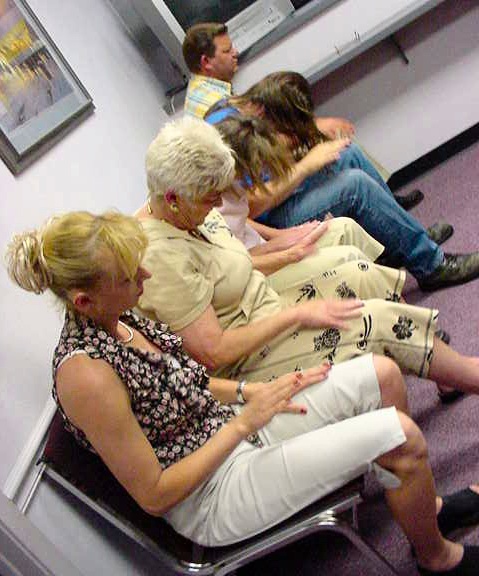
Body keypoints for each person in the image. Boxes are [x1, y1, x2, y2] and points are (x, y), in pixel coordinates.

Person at [7, 210, 479, 575]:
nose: (145, 279)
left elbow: (187, 381)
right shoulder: (85, 376)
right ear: (84, 300)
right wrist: (243, 423)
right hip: (212, 494)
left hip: (230, 431)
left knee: (382, 375)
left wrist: (251, 390)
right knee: (401, 438)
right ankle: (436, 559)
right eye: (131, 277)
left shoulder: (117, 315)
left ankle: (427, 512)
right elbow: (154, 494)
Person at [137, 117, 479, 403]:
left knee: (360, 272)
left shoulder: (186, 207)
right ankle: (463, 372)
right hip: (247, 355)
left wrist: (285, 244)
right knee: (375, 321)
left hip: (265, 301)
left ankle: (439, 365)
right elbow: (215, 352)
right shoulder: (160, 257)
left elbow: (232, 259)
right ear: (173, 198)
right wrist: (296, 314)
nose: (217, 206)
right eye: (211, 199)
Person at [206, 101, 479, 291]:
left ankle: (402, 241)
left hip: (272, 210)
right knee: (354, 185)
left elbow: (242, 210)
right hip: (273, 215)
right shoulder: (218, 148)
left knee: (348, 155)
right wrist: (305, 166)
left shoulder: (227, 107)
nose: (235, 53)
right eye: (226, 50)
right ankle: (432, 266)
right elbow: (252, 207)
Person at [182, 21, 424, 211]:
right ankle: (387, 209)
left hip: (266, 176)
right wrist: (308, 131)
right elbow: (258, 153)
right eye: (227, 51)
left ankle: (389, 207)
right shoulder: (210, 107)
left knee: (342, 149)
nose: (236, 53)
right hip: (265, 197)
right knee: (331, 149)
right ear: (206, 62)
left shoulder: (210, 90)